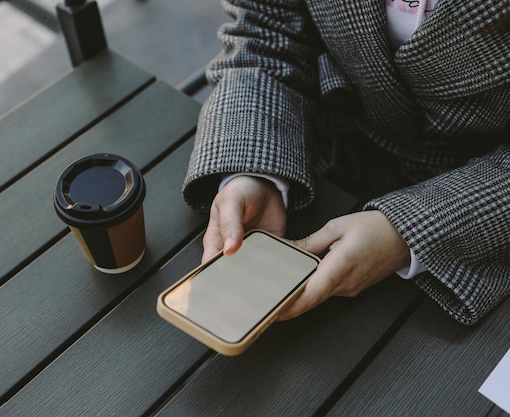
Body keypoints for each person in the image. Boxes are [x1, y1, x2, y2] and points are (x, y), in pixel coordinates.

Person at [182, 0, 510, 325]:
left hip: (472, 226)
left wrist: (409, 230)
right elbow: (266, 23)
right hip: (312, 160)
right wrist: (252, 166)